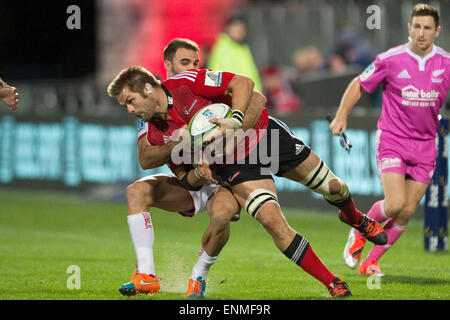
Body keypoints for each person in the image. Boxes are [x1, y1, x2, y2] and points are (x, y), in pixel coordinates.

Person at [107, 63, 388, 298]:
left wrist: (236, 120)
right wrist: (197, 173)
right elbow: (180, 176)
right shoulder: (157, 133)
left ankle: (354, 218)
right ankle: (332, 282)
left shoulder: (187, 83)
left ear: (147, 88)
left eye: (130, 101)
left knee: (334, 187)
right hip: (235, 165)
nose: (130, 110)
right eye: (124, 106)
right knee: (272, 221)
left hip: (265, 136)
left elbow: (244, 83)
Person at [330, 3, 450, 275]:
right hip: (393, 139)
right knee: (394, 203)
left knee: (406, 211)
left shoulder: (446, 63)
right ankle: (359, 232)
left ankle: (370, 262)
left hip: (425, 144)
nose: (421, 33)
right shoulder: (390, 59)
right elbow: (359, 84)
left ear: (437, 31)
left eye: (427, 28)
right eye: (416, 26)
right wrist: (341, 116)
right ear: (409, 28)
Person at [117, 38, 241, 299]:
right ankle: (146, 276)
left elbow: (249, 93)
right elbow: (146, 159)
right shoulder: (149, 112)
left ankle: (198, 276)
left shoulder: (202, 85)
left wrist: (234, 127)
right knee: (136, 191)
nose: (193, 68)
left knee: (222, 215)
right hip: (190, 181)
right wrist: (179, 145)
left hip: (225, 178)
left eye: (196, 63)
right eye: (186, 63)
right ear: (167, 65)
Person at [207, 15, 262, 92]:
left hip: (249, 98)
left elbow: (253, 77)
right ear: (227, 28)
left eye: (242, 28)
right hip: (232, 100)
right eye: (236, 27)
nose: (239, 31)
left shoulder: (243, 50)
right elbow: (214, 79)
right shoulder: (221, 48)